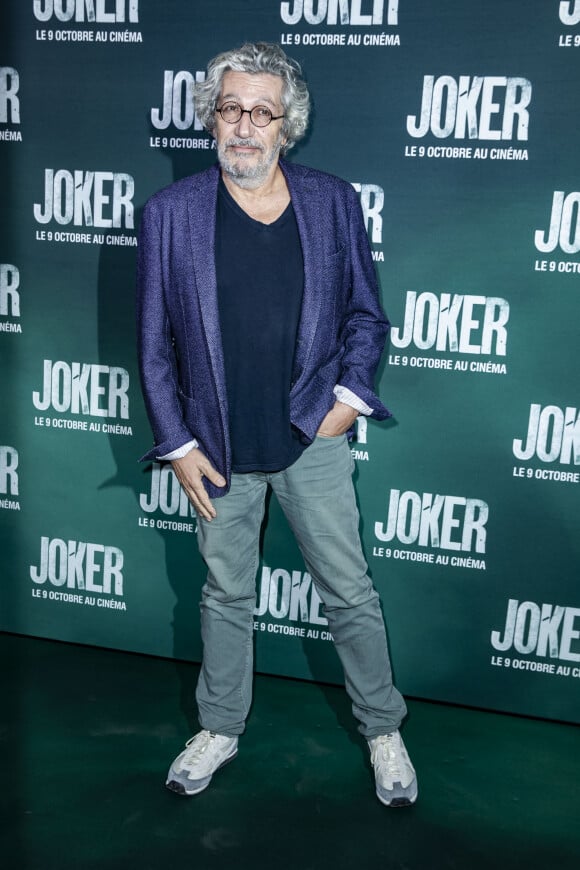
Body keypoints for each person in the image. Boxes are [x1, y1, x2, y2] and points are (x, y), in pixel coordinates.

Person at [137, 41, 417, 807]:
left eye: (262, 112)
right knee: (225, 595)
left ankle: (382, 729)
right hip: (216, 447)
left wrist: (345, 405)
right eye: (231, 109)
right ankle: (220, 726)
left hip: (309, 436)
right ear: (212, 118)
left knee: (349, 592)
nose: (245, 127)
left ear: (287, 125)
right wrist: (179, 444)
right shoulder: (170, 214)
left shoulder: (332, 201)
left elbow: (366, 316)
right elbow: (154, 348)